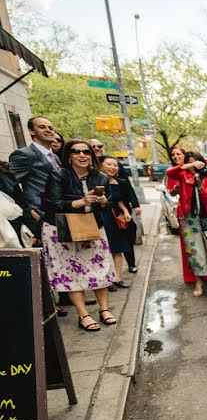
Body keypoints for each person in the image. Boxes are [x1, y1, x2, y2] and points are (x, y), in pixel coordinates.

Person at [42, 140, 117, 332]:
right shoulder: (58, 175)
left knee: (99, 269)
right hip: (64, 229)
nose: (82, 155)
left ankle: (104, 309)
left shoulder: (99, 176)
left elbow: (108, 204)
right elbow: (52, 205)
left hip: (92, 227)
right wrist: (80, 202)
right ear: (68, 155)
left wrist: (102, 202)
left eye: (86, 152)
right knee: (71, 272)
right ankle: (83, 314)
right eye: (76, 152)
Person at [165, 149, 207, 297]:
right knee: (194, 251)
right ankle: (198, 281)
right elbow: (170, 173)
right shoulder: (182, 175)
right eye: (190, 163)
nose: (193, 166)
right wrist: (187, 167)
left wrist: (199, 184)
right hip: (188, 218)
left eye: (196, 163)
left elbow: (206, 198)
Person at [9, 116, 60, 238]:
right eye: (42, 127)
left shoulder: (55, 157)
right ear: (32, 131)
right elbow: (9, 184)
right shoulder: (24, 154)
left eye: (50, 128)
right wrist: (27, 210)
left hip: (57, 214)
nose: (48, 130)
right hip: (39, 215)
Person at [98, 156, 139, 288]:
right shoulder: (96, 181)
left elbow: (120, 200)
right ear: (101, 166)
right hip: (101, 217)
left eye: (115, 165)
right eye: (109, 164)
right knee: (104, 250)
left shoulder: (121, 182)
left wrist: (126, 211)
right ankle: (106, 279)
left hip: (116, 218)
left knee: (118, 248)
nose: (112, 167)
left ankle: (117, 278)